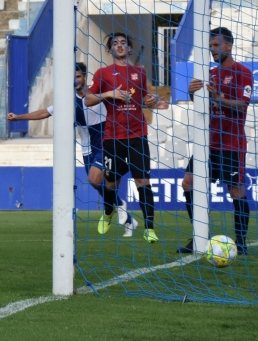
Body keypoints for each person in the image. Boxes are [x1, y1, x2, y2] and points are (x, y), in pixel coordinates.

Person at [7, 63, 136, 236]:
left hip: (106, 143)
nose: (75, 81)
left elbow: (121, 103)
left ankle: (119, 205)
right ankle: (127, 218)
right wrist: (19, 118)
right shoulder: (67, 100)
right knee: (98, 184)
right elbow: (45, 112)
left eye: (78, 77)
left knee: (95, 179)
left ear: (84, 77)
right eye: (72, 78)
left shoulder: (97, 94)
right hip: (87, 148)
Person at [85, 32, 169, 243]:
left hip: (138, 136)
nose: (120, 46)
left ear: (129, 48)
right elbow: (87, 100)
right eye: (115, 43)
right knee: (111, 184)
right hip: (113, 139)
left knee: (143, 182)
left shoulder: (139, 72)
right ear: (110, 49)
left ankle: (149, 228)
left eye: (123, 43)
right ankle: (108, 212)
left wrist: (155, 102)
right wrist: (108, 94)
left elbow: (144, 98)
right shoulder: (103, 73)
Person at [177, 27, 252, 255]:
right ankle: (200, 237)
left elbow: (242, 106)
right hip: (208, 144)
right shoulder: (210, 73)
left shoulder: (243, 72)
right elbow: (203, 103)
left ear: (229, 46)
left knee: (236, 191)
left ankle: (240, 243)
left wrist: (219, 97)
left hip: (231, 144)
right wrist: (193, 92)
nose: (213, 50)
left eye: (217, 45)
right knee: (188, 184)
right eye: (211, 46)